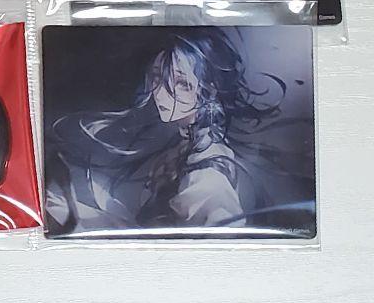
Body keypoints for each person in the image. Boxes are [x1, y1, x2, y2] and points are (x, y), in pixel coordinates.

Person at [44, 28, 312, 235]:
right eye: (157, 78)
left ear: (208, 90)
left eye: (181, 84)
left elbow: (219, 246)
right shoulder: (188, 148)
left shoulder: (206, 175)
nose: (161, 93)